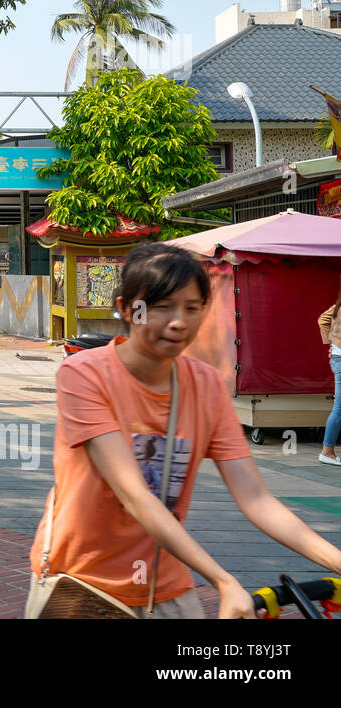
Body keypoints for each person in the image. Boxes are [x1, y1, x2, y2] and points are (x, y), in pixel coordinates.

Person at [25, 242, 341, 619]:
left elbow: (256, 499)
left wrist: (335, 560)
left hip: (166, 586)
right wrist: (224, 582)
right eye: (162, 307)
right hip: (82, 588)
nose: (179, 322)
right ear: (127, 308)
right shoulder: (85, 375)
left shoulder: (205, 385)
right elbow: (135, 495)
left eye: (192, 308)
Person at [317, 280, 341, 466]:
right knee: (339, 408)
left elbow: (323, 319)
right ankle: (327, 451)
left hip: (338, 358)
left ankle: (328, 450)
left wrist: (332, 344)